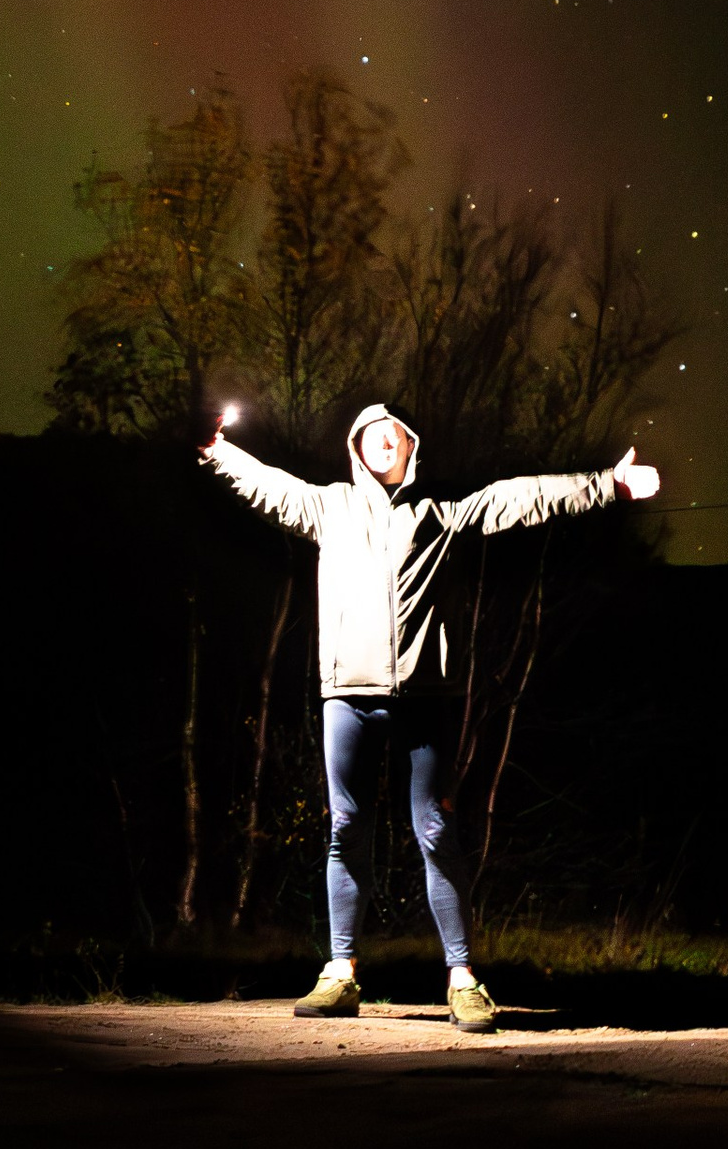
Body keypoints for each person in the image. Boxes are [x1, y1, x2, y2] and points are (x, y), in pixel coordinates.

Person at [202, 398, 661, 1032]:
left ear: (411, 446)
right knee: (345, 829)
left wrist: (605, 484)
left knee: (436, 832)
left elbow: (518, 498)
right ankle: (339, 974)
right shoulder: (329, 508)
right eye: (372, 437)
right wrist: (216, 451)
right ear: (357, 449)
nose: (384, 443)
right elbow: (269, 486)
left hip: (426, 701)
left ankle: (464, 979)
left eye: (395, 436)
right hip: (348, 697)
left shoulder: (440, 513)